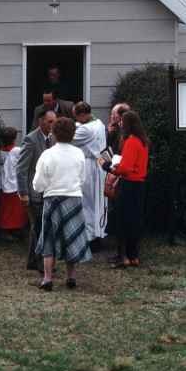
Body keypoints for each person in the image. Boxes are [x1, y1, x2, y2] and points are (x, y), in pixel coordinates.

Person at [33, 116, 91, 290]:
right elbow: (83, 179)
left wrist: (42, 188)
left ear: (53, 133)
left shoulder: (47, 154)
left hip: (52, 199)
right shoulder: (79, 153)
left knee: (49, 239)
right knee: (71, 237)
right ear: (73, 134)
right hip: (73, 198)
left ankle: (48, 279)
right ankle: (71, 277)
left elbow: (38, 184)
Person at [99, 110, 149, 268]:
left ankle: (123, 257)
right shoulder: (143, 141)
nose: (120, 124)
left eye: (122, 122)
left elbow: (125, 168)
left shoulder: (131, 141)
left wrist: (107, 166)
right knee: (135, 221)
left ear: (127, 124)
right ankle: (134, 256)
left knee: (122, 221)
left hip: (128, 185)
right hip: (140, 184)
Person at [16, 108, 57, 271]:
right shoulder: (30, 140)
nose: (53, 125)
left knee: (39, 226)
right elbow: (21, 169)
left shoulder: (54, 139)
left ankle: (33, 260)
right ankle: (41, 262)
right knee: (40, 227)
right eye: (50, 122)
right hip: (34, 193)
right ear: (41, 121)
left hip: (49, 191)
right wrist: (23, 193)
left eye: (55, 121)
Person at [72, 101, 107, 242]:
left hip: (88, 166)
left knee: (87, 202)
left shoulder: (85, 130)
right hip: (99, 164)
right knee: (98, 202)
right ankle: (98, 232)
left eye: (76, 116)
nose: (75, 120)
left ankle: (90, 236)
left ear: (83, 115)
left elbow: (69, 138)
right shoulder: (99, 123)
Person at [0, 126, 28, 241]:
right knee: (16, 210)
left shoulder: (1, 151)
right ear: (14, 138)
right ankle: (15, 230)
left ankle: (6, 230)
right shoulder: (17, 151)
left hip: (3, 184)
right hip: (14, 185)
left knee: (5, 209)